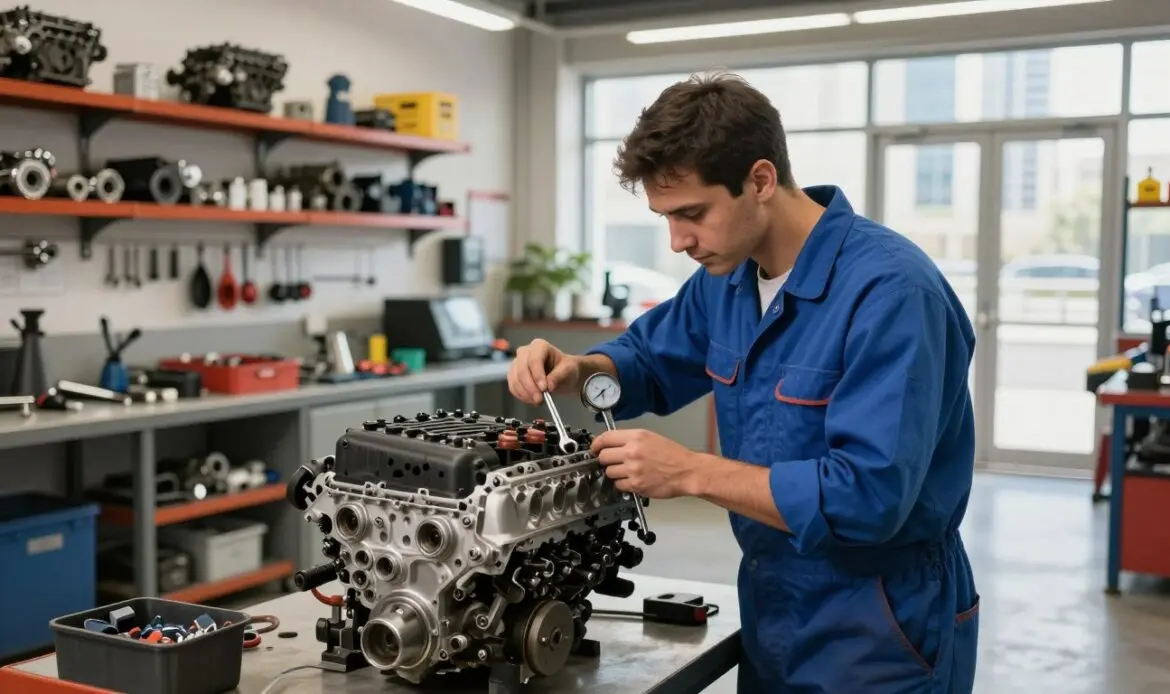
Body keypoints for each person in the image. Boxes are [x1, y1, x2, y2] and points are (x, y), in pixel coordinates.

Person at [506, 71, 980, 693]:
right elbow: (649, 361)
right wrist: (579, 370)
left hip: (880, 622)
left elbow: (868, 498)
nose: (678, 241)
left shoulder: (891, 293)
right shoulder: (726, 281)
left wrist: (689, 472)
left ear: (760, 180)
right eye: (665, 218)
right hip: (772, 602)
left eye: (692, 214)